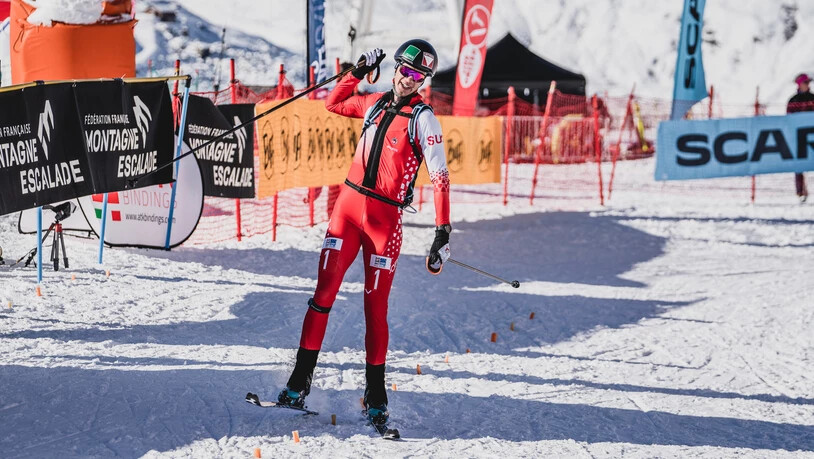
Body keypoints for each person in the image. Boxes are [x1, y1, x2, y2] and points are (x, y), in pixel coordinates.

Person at [277, 39, 451, 428]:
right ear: (395, 70)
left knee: (375, 311)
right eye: (404, 71)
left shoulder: (424, 119)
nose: (408, 80)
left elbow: (440, 176)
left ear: (424, 81)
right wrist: (356, 71)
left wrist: (442, 230)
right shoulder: (372, 102)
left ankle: (376, 397)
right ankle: (298, 383)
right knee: (322, 296)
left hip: (383, 223)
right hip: (347, 211)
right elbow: (334, 103)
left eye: (417, 76)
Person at [787, 73, 814, 202]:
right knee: (799, 165)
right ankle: (801, 192)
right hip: (799, 138)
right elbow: (789, 119)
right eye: (805, 82)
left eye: (808, 82)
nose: (807, 85)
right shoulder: (793, 100)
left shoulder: (812, 98)